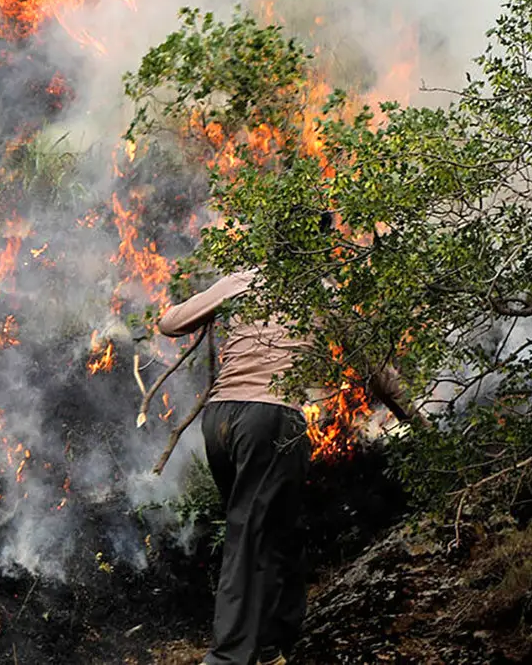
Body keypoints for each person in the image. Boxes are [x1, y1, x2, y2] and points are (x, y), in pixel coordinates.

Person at [158, 268, 419, 665]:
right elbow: (377, 371)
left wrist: (215, 300)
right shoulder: (323, 292)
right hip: (270, 419)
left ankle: (267, 645)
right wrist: (421, 423)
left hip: (219, 421)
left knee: (272, 529)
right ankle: (227, 657)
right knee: (251, 535)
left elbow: (170, 323)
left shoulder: (240, 280)